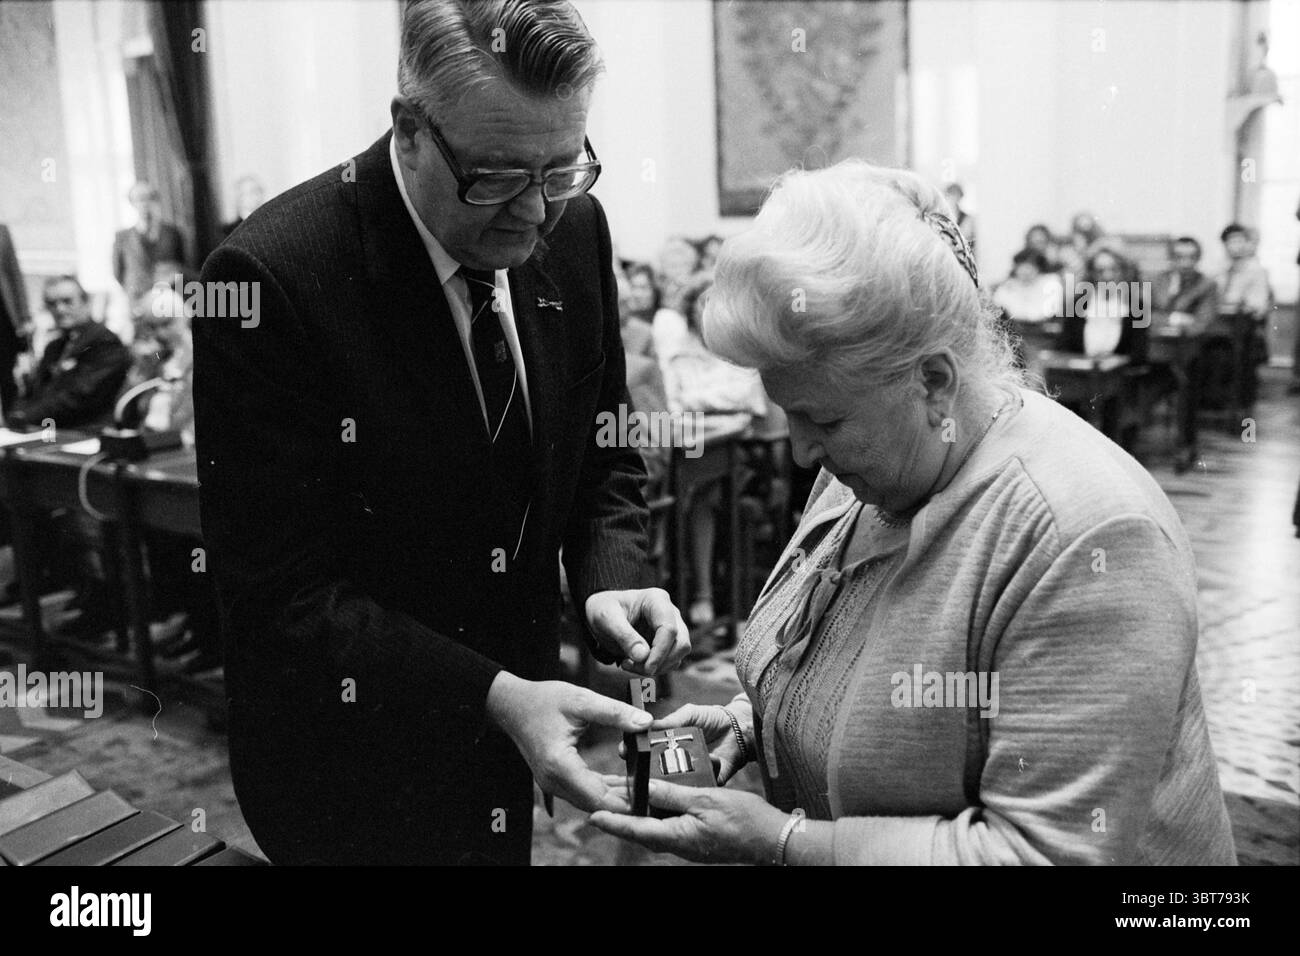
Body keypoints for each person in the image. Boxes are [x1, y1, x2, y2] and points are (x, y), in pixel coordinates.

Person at [590, 160, 1234, 865]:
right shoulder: (879, 461)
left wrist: (782, 841)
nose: (802, 453)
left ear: (933, 381)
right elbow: (851, 674)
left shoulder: (1087, 539)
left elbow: (1041, 856)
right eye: (789, 415)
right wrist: (754, 724)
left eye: (822, 420)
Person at [192, 0, 689, 865]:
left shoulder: (577, 229)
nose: (535, 213)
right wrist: (496, 694)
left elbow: (601, 445)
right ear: (410, 130)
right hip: (352, 759)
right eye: (495, 177)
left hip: (513, 733)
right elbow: (283, 598)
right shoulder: (274, 279)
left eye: (561, 168)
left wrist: (611, 573)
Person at [6, 275, 131, 430]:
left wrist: (24, 416)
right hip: (47, 429)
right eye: (52, 304)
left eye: (67, 301)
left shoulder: (105, 343)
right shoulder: (54, 346)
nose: (60, 309)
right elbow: (37, 392)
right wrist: (16, 414)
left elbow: (80, 397)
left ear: (86, 302)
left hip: (86, 431)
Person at [1148, 237, 1219, 471]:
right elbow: (1142, 317)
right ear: (1172, 258)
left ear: (1198, 259)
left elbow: (1202, 324)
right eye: (1179, 257)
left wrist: (1164, 318)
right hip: (1154, 349)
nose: (1185, 262)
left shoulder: (1206, 285)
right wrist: (1174, 319)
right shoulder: (1156, 280)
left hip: (1188, 352)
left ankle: (1185, 446)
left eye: (1191, 257)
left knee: (1186, 384)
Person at [112, 183, 185, 312]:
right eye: (140, 199)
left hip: (168, 298)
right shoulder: (122, 237)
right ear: (132, 203)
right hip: (137, 300)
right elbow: (118, 272)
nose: (145, 204)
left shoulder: (172, 233)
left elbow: (182, 265)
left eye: (149, 198)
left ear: (156, 201)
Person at [0, 223, 32, 416]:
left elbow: (14, 275)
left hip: (3, 315)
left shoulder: (2, 231)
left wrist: (24, 316)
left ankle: (12, 423)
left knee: (6, 373)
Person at [992, 249, 1063, 323]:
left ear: (1039, 268)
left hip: (1044, 329)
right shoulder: (1009, 284)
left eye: (1030, 266)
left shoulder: (1050, 282)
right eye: (1021, 266)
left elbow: (1044, 313)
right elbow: (998, 304)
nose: (1025, 271)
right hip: (1015, 328)